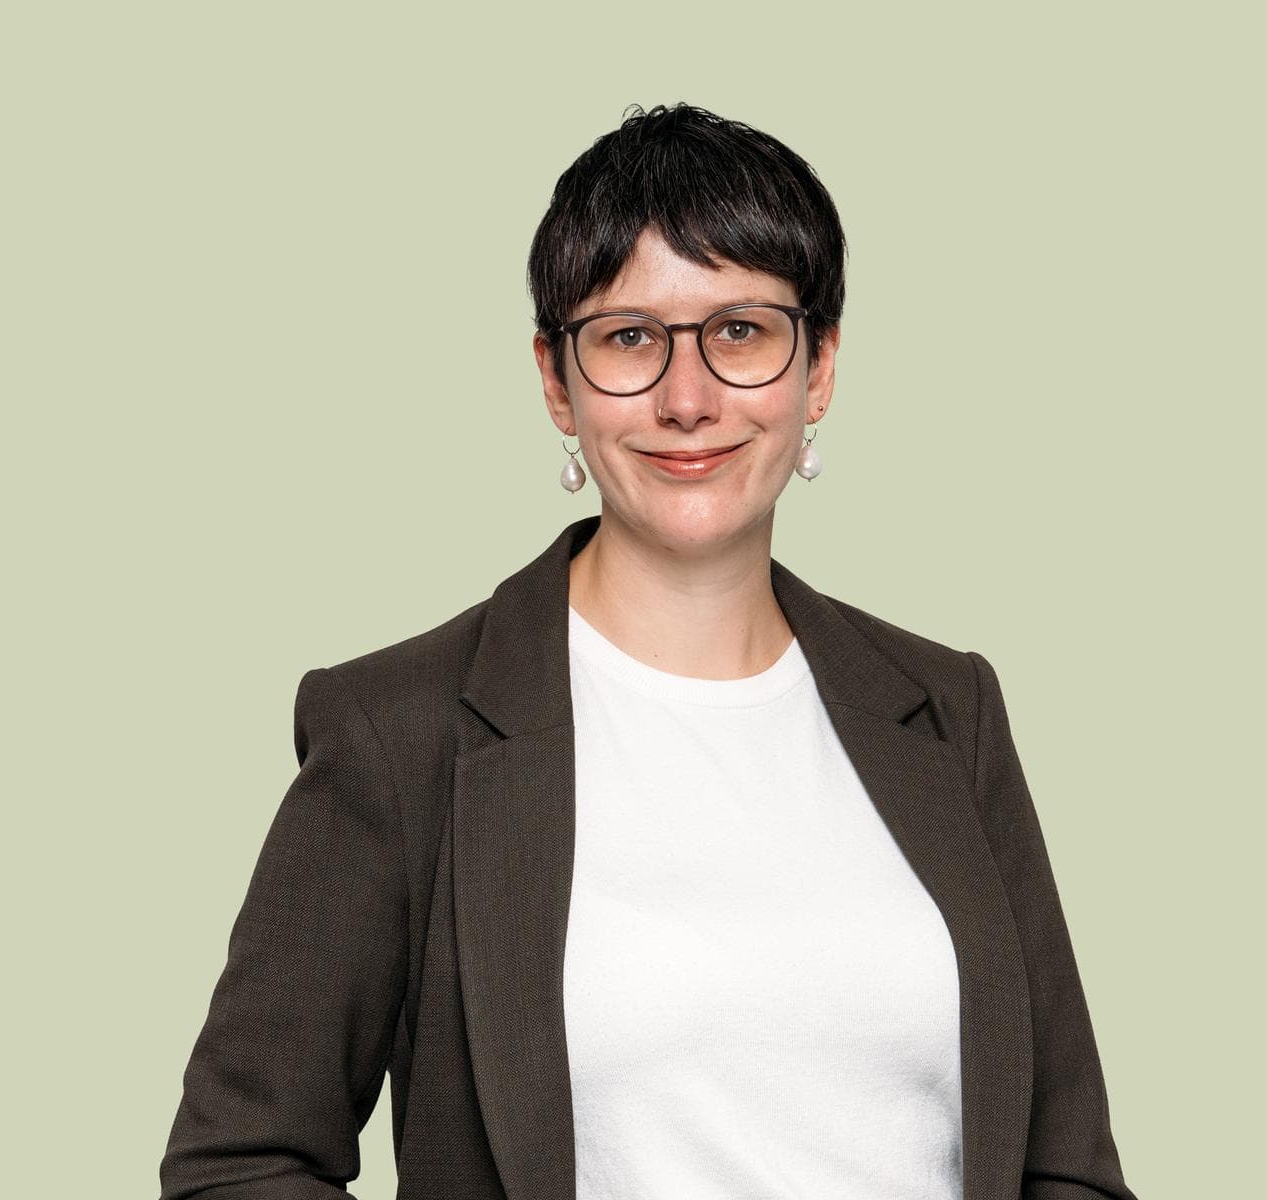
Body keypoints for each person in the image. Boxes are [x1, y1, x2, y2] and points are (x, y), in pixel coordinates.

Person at [157, 102, 1138, 1200]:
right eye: (629, 338)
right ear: (554, 381)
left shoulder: (947, 708)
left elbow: (1068, 1166)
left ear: (816, 371)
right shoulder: (403, 732)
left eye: (740, 331)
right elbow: (239, 1163)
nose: (687, 399)